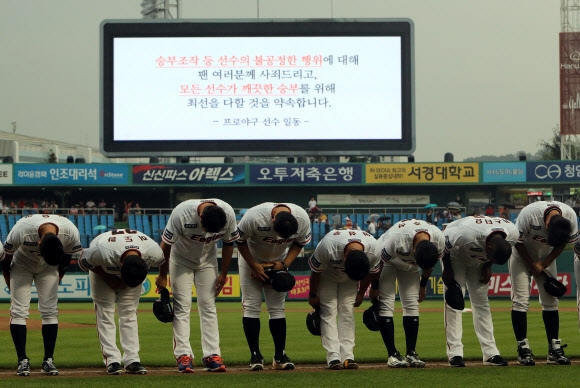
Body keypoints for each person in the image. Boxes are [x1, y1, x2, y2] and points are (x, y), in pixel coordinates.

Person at [155, 199, 239, 373]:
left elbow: (229, 244)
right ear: (200, 218)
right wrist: (163, 275)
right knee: (182, 305)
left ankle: (212, 354)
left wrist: (223, 274)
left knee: (208, 305)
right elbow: (166, 246)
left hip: (208, 260)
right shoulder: (181, 213)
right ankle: (183, 355)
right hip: (180, 260)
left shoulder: (228, 213)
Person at [1, 214, 82, 376]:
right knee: (18, 310)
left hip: (49, 267)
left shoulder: (71, 232)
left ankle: (48, 360)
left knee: (50, 310)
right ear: (38, 242)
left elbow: (67, 256)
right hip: (22, 263)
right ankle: (22, 360)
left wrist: (60, 275)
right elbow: (7, 254)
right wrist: (7, 276)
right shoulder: (21, 229)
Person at [236, 202, 312, 371]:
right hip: (251, 260)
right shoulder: (254, 216)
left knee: (277, 308)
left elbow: (299, 243)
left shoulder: (302, 218)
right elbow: (239, 241)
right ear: (272, 220)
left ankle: (280, 356)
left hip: (279, 261)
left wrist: (284, 265)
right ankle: (255, 355)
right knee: (251, 306)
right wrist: (253, 265)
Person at [78, 229, 165, 375]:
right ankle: (112, 360)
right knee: (105, 313)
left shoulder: (153, 251)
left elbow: (163, 260)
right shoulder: (101, 251)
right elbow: (83, 263)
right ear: (120, 263)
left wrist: (160, 276)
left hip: (133, 272)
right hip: (101, 272)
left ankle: (132, 360)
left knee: (129, 314)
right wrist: (108, 277)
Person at [442, 216, 518, 367]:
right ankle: (455, 354)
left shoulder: (512, 233)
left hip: (480, 260)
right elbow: (443, 244)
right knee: (455, 303)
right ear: (488, 247)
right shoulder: (466, 234)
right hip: (456, 255)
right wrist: (447, 269)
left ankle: (490, 353)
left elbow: (496, 254)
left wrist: (488, 264)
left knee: (482, 302)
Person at [510, 201, 578, 366]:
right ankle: (523, 349)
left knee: (551, 301)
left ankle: (554, 348)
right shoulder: (529, 214)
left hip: (546, 257)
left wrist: (544, 263)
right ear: (546, 224)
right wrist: (532, 264)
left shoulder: (570, 216)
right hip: (521, 255)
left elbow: (561, 243)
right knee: (520, 300)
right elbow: (517, 241)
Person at [374, 219, 444, 368]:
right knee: (386, 303)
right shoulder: (397, 239)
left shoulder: (438, 239)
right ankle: (392, 355)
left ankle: (411, 353)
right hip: (387, 261)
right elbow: (379, 262)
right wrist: (374, 286)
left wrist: (423, 285)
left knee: (412, 303)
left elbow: (428, 265)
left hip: (409, 265)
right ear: (414, 250)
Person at [308, 229, 381, 370]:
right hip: (327, 275)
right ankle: (333, 356)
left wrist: (361, 292)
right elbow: (316, 272)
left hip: (350, 279)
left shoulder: (373, 249)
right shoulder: (328, 246)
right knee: (329, 311)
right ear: (344, 258)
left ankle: (348, 356)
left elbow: (371, 274)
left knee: (347, 312)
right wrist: (312, 294)